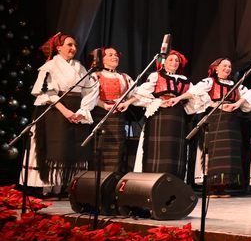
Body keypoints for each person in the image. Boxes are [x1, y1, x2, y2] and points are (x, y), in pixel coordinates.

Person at [29, 32, 96, 193]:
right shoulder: (50, 66)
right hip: (55, 109)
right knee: (55, 147)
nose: (73, 48)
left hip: (76, 110)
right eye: (69, 45)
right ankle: (48, 187)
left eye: (75, 45)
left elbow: (90, 90)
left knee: (71, 148)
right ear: (59, 48)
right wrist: (65, 111)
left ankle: (64, 186)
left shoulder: (79, 67)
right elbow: (47, 92)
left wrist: (83, 110)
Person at [191, 57, 251, 193]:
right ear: (216, 68)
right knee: (216, 151)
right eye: (224, 66)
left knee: (230, 152)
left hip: (232, 121)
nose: (227, 68)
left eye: (229, 66)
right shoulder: (210, 82)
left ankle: (223, 185)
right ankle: (212, 185)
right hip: (216, 119)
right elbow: (195, 92)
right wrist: (215, 104)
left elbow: (250, 96)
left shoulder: (236, 85)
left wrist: (236, 104)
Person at [133, 49, 194, 180]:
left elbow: (195, 97)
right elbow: (140, 94)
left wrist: (182, 102)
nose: (174, 62)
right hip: (160, 114)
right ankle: (152, 179)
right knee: (158, 148)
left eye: (177, 60)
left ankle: (174, 180)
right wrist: (158, 102)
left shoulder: (185, 80)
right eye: (171, 60)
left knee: (174, 149)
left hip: (177, 116)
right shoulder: (156, 76)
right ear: (163, 63)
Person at [90, 47, 134, 175]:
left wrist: (126, 103)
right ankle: (96, 182)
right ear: (102, 59)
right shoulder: (95, 75)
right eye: (110, 55)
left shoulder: (124, 77)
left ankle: (112, 181)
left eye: (116, 55)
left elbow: (138, 94)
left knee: (116, 150)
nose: (115, 57)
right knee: (98, 149)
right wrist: (104, 105)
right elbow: (89, 96)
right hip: (100, 115)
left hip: (118, 118)